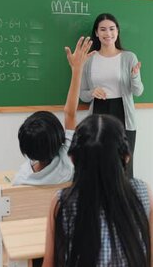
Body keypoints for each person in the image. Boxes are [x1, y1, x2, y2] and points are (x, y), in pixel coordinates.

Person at [38, 113, 153, 267]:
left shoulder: (63, 202)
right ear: (126, 157)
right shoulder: (143, 193)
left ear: (72, 159)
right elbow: (150, 265)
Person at [12, 36, 95, 185]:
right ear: (60, 140)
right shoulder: (68, 163)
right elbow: (70, 113)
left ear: (25, 149)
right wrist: (77, 69)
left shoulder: (21, 180)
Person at [79, 13, 143, 178]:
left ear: (117, 31)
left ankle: (124, 202)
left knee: (124, 167)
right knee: (97, 165)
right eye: (103, 29)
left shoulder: (129, 57)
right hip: (98, 114)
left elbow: (138, 91)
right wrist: (92, 92)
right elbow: (82, 96)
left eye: (112, 29)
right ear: (96, 33)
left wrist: (135, 76)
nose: (108, 33)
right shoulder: (89, 60)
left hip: (123, 114)